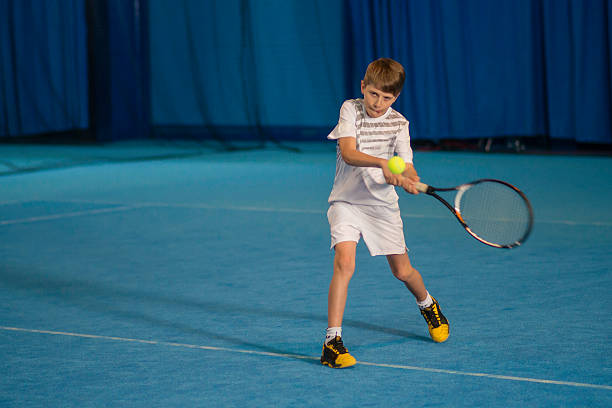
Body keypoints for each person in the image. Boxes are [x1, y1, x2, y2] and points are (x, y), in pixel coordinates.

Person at [321, 58, 449, 369]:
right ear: (363, 87)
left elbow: (407, 165)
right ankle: (332, 342)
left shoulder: (399, 124)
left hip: (381, 206)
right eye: (373, 94)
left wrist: (408, 180)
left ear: (396, 98)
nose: (378, 103)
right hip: (346, 202)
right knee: (344, 263)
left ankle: (428, 304)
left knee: (403, 272)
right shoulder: (350, 109)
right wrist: (382, 164)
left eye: (387, 97)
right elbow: (349, 153)